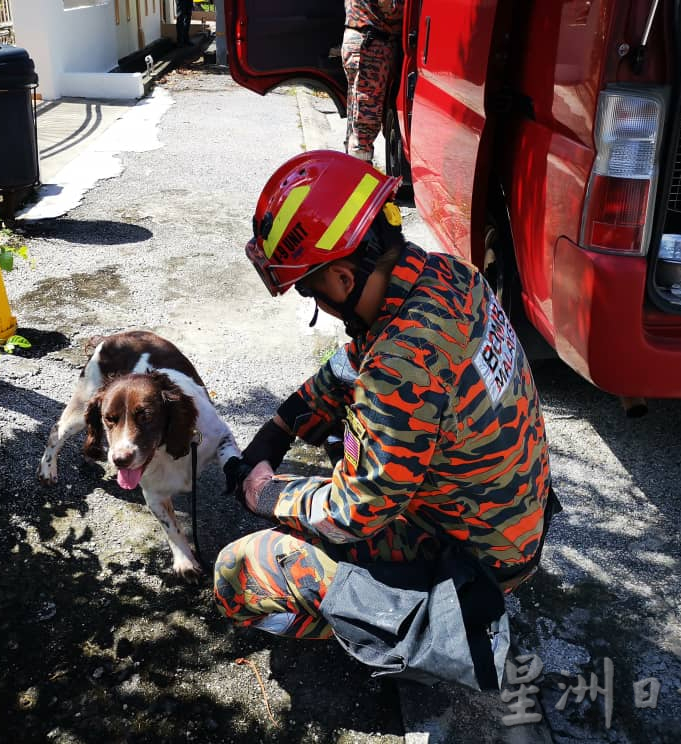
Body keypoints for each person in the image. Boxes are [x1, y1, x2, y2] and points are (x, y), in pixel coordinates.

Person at [214, 151, 556, 685]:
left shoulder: (399, 364)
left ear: (345, 280)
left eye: (309, 288)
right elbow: (347, 368)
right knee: (341, 444)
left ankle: (409, 633)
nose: (314, 301)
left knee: (238, 572)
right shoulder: (446, 277)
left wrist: (267, 493)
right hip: (513, 524)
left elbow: (353, 514)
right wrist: (279, 429)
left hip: (473, 563)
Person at [341, 0, 403, 161]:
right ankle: (358, 176)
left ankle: (350, 166)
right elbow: (389, 7)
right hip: (371, 48)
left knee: (356, 114)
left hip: (361, 40)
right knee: (365, 120)